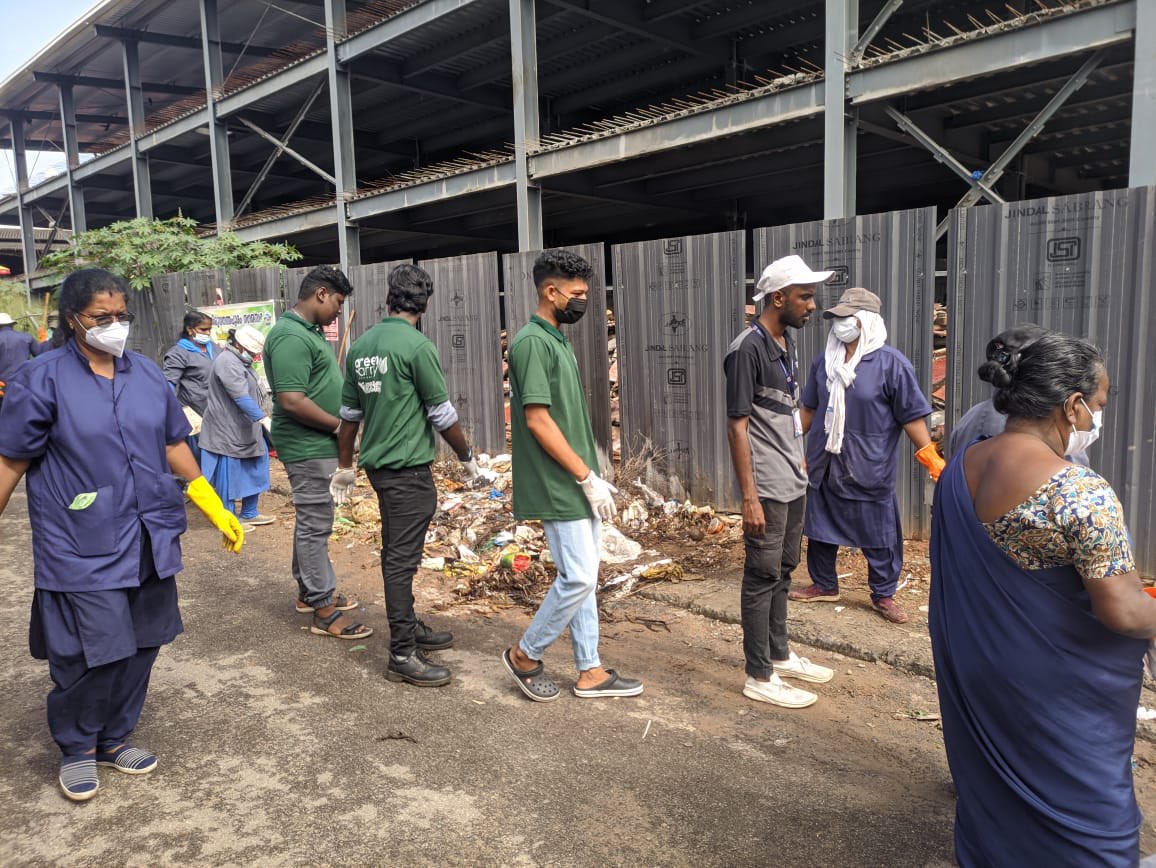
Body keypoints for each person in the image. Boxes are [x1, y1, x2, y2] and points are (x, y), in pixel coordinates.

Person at [0, 268, 243, 802]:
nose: (114, 326)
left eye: (121, 316)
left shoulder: (146, 375)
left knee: (142, 643)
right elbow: (11, 462)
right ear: (72, 320)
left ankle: (113, 738)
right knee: (90, 651)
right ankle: (77, 746)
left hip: (148, 535)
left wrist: (213, 504)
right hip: (79, 541)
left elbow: (171, 444)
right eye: (100, 318)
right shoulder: (41, 379)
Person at [930, 332, 1155, 865]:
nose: (1098, 418)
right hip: (1057, 692)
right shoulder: (1080, 491)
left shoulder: (963, 466)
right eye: (1097, 405)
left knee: (997, 797)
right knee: (1089, 815)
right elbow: (1122, 609)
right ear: (1073, 406)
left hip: (981, 673)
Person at [500, 249, 643, 702]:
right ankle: (525, 654)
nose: (585, 303)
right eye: (578, 294)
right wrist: (585, 476)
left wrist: (592, 475)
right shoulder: (530, 343)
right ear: (551, 291)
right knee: (578, 576)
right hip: (556, 481)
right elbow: (537, 420)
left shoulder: (556, 339)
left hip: (573, 478)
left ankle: (590, 669)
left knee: (585, 571)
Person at [334, 264, 481, 683]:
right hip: (408, 471)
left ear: (388, 300)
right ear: (425, 304)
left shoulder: (362, 346)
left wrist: (345, 467)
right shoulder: (417, 347)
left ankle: (409, 624)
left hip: (380, 469)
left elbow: (349, 417)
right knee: (400, 560)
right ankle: (401, 653)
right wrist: (467, 456)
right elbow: (441, 413)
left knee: (400, 552)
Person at [789, 287, 944, 624]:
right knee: (819, 527)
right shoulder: (826, 361)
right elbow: (810, 409)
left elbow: (911, 416)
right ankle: (825, 584)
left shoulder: (891, 364)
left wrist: (930, 455)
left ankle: (883, 593)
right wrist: (786, 445)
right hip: (824, 462)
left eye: (847, 317)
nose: (840, 324)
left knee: (879, 532)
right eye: (838, 318)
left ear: (865, 321)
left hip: (867, 464)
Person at [724, 255, 835, 709]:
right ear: (778, 297)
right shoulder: (746, 349)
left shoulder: (783, 342)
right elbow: (737, 426)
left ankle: (780, 653)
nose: (812, 306)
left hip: (792, 479)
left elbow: (787, 417)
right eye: (805, 297)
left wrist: (801, 464)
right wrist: (748, 496)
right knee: (762, 574)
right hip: (766, 488)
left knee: (785, 570)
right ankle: (759, 674)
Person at [264, 266, 370, 641]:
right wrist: (340, 427)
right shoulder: (290, 336)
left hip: (316, 446)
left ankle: (309, 594)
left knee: (311, 521)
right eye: (339, 302)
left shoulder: (305, 332)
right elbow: (291, 401)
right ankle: (324, 610)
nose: (339, 311)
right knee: (315, 525)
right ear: (321, 293)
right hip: (308, 447)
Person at [199, 325, 273, 527]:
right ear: (239, 345)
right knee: (229, 476)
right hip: (227, 430)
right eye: (251, 352)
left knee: (256, 467)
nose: (254, 357)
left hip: (248, 427)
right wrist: (263, 419)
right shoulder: (227, 362)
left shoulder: (242, 362)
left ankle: (249, 512)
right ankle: (228, 518)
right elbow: (240, 397)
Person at [162, 311, 217, 464]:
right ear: (190, 329)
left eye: (209, 329)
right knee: (200, 460)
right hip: (196, 415)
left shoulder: (213, 348)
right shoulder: (178, 353)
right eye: (203, 330)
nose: (207, 333)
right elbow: (168, 385)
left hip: (218, 414)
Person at [0, 311, 40, 412]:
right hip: (24, 384)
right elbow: (41, 356)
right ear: (12, 325)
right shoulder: (27, 337)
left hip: (2, 386)